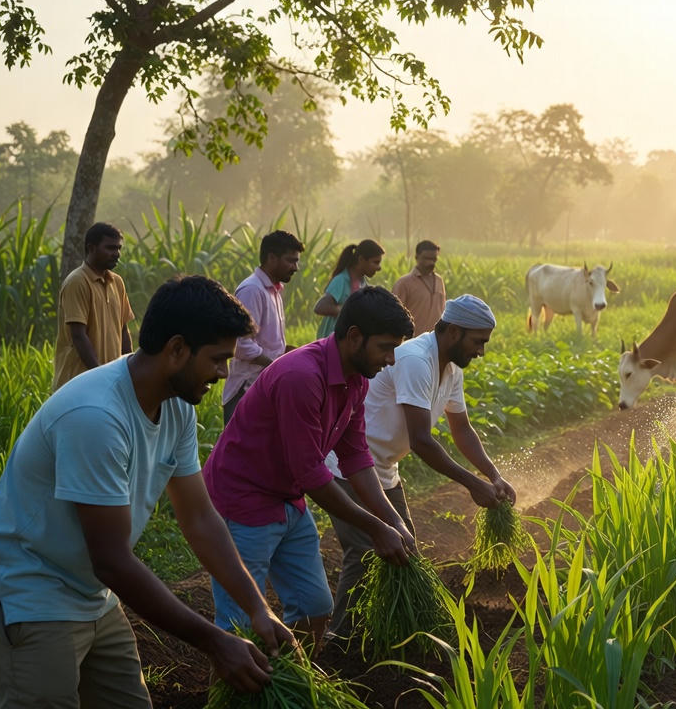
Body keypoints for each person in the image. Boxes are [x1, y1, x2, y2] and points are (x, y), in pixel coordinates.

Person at [0, 276, 295, 708]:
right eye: (217, 359)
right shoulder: (96, 416)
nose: (224, 372)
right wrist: (214, 642)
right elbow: (112, 561)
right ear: (176, 349)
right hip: (27, 587)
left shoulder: (176, 405)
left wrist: (258, 608)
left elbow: (199, 518)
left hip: (89, 590)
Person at [202, 286, 417, 647]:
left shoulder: (356, 380)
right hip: (244, 498)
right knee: (239, 624)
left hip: (288, 497)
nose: (391, 359)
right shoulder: (301, 376)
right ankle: (232, 679)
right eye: (385, 347)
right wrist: (374, 527)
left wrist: (392, 520)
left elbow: (356, 457)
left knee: (315, 608)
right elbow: (310, 473)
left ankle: (292, 674)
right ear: (354, 337)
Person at [325, 294, 517, 640]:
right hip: (348, 466)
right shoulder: (416, 360)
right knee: (365, 552)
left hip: (384, 469)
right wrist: (472, 484)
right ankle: (340, 641)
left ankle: (391, 633)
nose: (481, 351)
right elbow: (421, 441)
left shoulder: (451, 368)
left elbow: (462, 430)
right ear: (454, 332)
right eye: (478, 342)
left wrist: (493, 475)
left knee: (405, 550)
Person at [223, 230, 304, 423]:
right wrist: (276, 366)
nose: (295, 267)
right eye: (290, 261)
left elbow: (269, 342)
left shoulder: (273, 291)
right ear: (272, 258)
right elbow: (241, 344)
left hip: (264, 387)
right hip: (246, 390)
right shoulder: (252, 290)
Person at [53, 222, 134, 390]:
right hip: (78, 383)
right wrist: (100, 377)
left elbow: (123, 330)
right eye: (110, 248)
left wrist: (129, 373)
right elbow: (78, 336)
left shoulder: (117, 282)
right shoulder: (77, 282)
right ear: (91, 248)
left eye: (118, 248)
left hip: (109, 383)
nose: (116, 254)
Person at [315, 240, 384, 340]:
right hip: (332, 342)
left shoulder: (364, 285)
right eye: (376, 262)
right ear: (361, 259)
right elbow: (321, 307)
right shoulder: (341, 280)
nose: (379, 268)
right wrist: (350, 311)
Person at [392, 239, 446, 337]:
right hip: (412, 340)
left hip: (435, 339)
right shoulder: (404, 283)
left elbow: (442, 311)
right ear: (416, 257)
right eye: (426, 258)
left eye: (434, 259)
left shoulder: (439, 280)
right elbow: (395, 315)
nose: (431, 262)